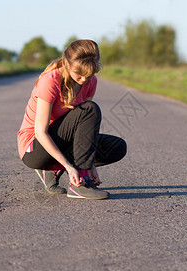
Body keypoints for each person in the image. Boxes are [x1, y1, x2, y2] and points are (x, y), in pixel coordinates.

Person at [17, 39, 127, 200]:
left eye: (88, 76)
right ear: (67, 64)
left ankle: (53, 168)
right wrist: (70, 167)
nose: (83, 80)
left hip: (63, 141)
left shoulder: (90, 81)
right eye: (79, 75)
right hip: (34, 148)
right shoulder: (50, 81)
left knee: (117, 147)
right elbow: (41, 132)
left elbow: (83, 127)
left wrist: (89, 164)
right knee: (90, 109)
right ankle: (79, 185)